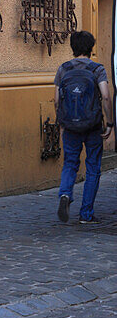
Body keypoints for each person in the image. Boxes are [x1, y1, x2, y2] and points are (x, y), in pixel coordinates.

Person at [55, 29, 113, 225]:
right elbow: (105, 96)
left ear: (72, 48)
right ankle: (86, 214)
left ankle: (65, 194)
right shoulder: (97, 69)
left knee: (70, 163)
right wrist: (110, 122)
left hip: (70, 125)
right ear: (91, 48)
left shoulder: (63, 69)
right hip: (92, 125)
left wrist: (61, 122)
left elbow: (56, 100)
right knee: (93, 168)